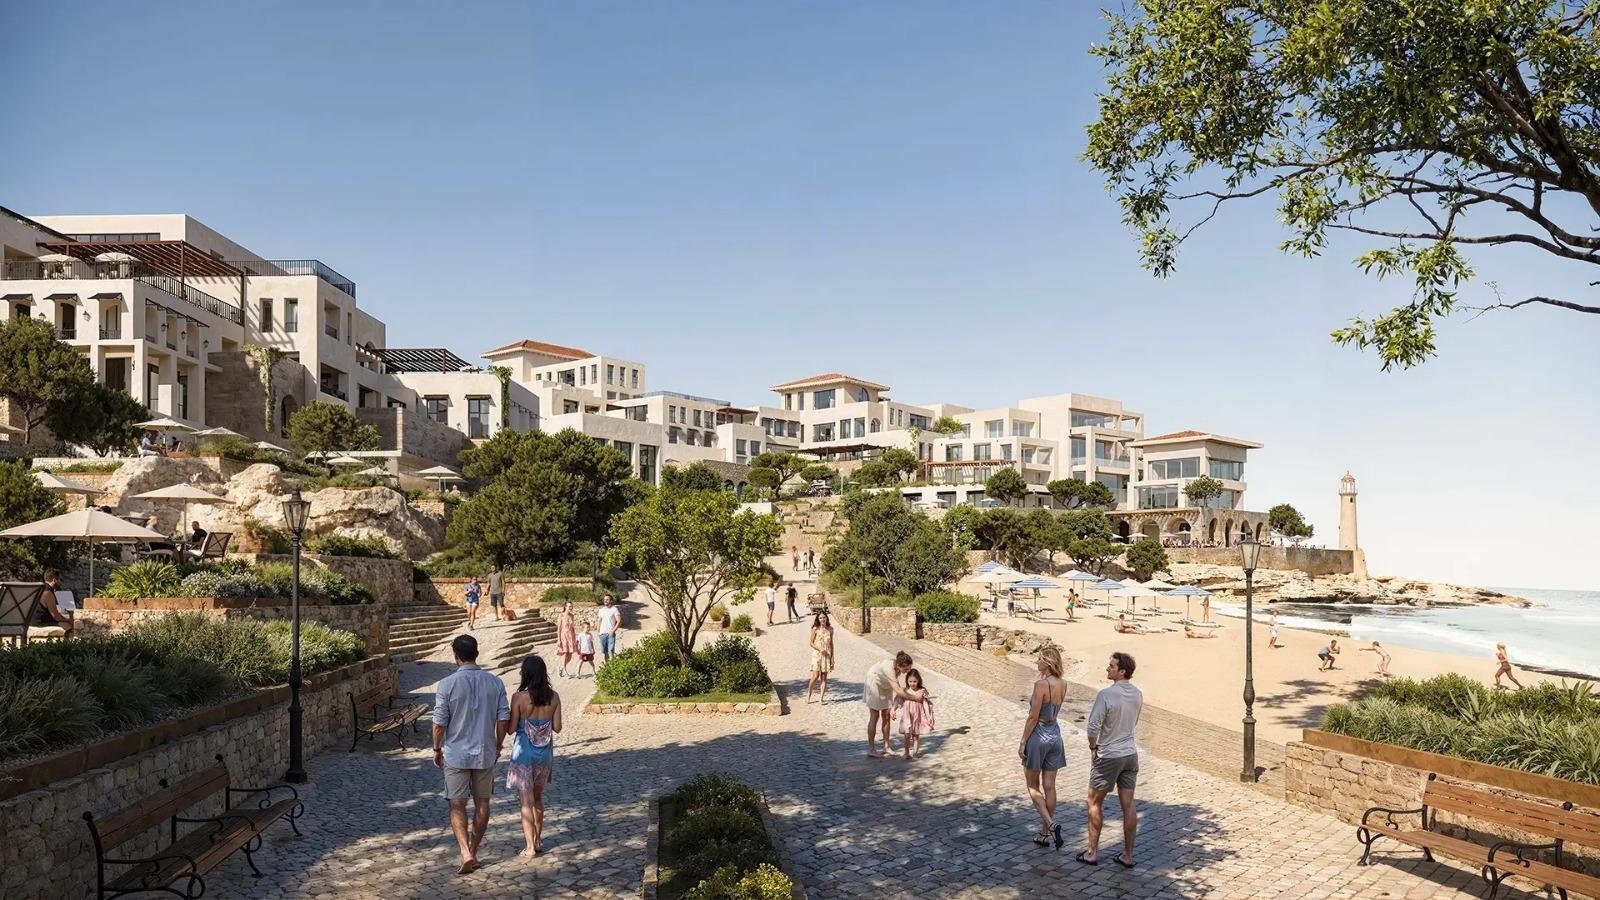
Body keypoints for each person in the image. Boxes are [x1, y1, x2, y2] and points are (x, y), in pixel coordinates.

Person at [432, 635, 510, 875]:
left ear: (456, 656)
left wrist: (436, 748)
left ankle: (465, 852)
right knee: (482, 802)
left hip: (456, 753)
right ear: (476, 653)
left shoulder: (446, 685)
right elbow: (503, 719)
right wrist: (498, 745)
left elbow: (439, 723)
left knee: (456, 803)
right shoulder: (495, 683)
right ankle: (474, 851)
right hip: (484, 752)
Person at [1078, 652, 1143, 868]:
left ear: (1122, 671)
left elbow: (1093, 727)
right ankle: (1128, 855)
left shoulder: (1106, 695)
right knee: (1128, 805)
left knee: (1094, 802)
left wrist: (1093, 747)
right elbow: (1134, 722)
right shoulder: (1138, 694)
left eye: (1112, 666)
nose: (1107, 668)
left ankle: (1092, 853)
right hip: (1130, 754)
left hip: (1109, 755)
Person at [505, 655, 562, 858]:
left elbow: (511, 729)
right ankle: (538, 840)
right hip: (544, 755)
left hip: (523, 755)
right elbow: (557, 727)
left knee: (525, 802)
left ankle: (529, 846)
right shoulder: (554, 697)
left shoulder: (518, 698)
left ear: (526, 674)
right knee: (538, 799)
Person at [1020, 647, 1067, 849]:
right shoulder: (1063, 684)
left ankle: (1050, 824)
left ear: (1047, 662)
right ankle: (1044, 834)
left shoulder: (1041, 685)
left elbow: (1033, 716)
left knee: (1032, 785)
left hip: (1038, 736)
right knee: (1050, 786)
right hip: (1055, 735)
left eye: (1039, 659)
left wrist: (1023, 741)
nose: (1036, 662)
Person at [862, 651, 918, 758]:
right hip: (874, 684)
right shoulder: (888, 669)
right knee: (875, 715)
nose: (907, 671)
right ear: (899, 665)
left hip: (886, 685)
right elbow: (898, 690)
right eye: (906, 669)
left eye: (909, 669)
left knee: (886, 715)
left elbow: (898, 687)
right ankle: (871, 749)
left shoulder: (897, 667)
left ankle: (886, 746)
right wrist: (914, 697)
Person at [895, 668, 934, 759]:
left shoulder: (921, 691)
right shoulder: (905, 691)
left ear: (918, 681)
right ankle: (906, 753)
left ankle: (915, 753)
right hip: (907, 716)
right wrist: (893, 710)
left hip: (918, 716)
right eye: (910, 681)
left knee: (916, 735)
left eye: (914, 681)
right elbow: (898, 700)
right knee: (907, 735)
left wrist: (928, 717)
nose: (912, 683)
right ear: (907, 681)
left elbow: (926, 704)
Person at [32, 570, 73, 638]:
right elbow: (56, 616)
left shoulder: (39, 589)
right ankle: (68, 644)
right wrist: (68, 620)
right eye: (60, 579)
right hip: (42, 623)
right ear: (54, 580)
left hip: (33, 621)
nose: (61, 582)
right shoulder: (48, 592)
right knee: (70, 627)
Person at [806, 612, 833, 704]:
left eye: (824, 617)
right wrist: (820, 649)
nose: (822, 619)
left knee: (824, 678)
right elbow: (811, 643)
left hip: (827, 655)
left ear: (826, 618)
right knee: (815, 676)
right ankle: (809, 695)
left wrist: (832, 657)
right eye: (820, 618)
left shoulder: (830, 629)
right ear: (818, 619)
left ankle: (821, 699)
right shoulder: (815, 629)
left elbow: (831, 644)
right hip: (817, 655)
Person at [554, 601, 578, 677]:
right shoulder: (561, 615)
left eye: (571, 606)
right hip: (564, 636)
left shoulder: (572, 616)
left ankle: (561, 668)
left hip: (571, 636)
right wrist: (558, 639)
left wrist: (575, 638)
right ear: (565, 607)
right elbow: (559, 628)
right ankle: (565, 671)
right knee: (565, 653)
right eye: (569, 606)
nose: (571, 608)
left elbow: (573, 628)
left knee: (570, 655)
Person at [596, 595, 621, 663]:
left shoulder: (614, 609)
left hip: (610, 634)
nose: (605, 601)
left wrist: (613, 630)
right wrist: (598, 631)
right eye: (604, 599)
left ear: (611, 601)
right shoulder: (601, 610)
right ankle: (607, 666)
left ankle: (612, 667)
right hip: (602, 634)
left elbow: (619, 621)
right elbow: (599, 620)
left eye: (607, 599)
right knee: (605, 652)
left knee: (611, 651)